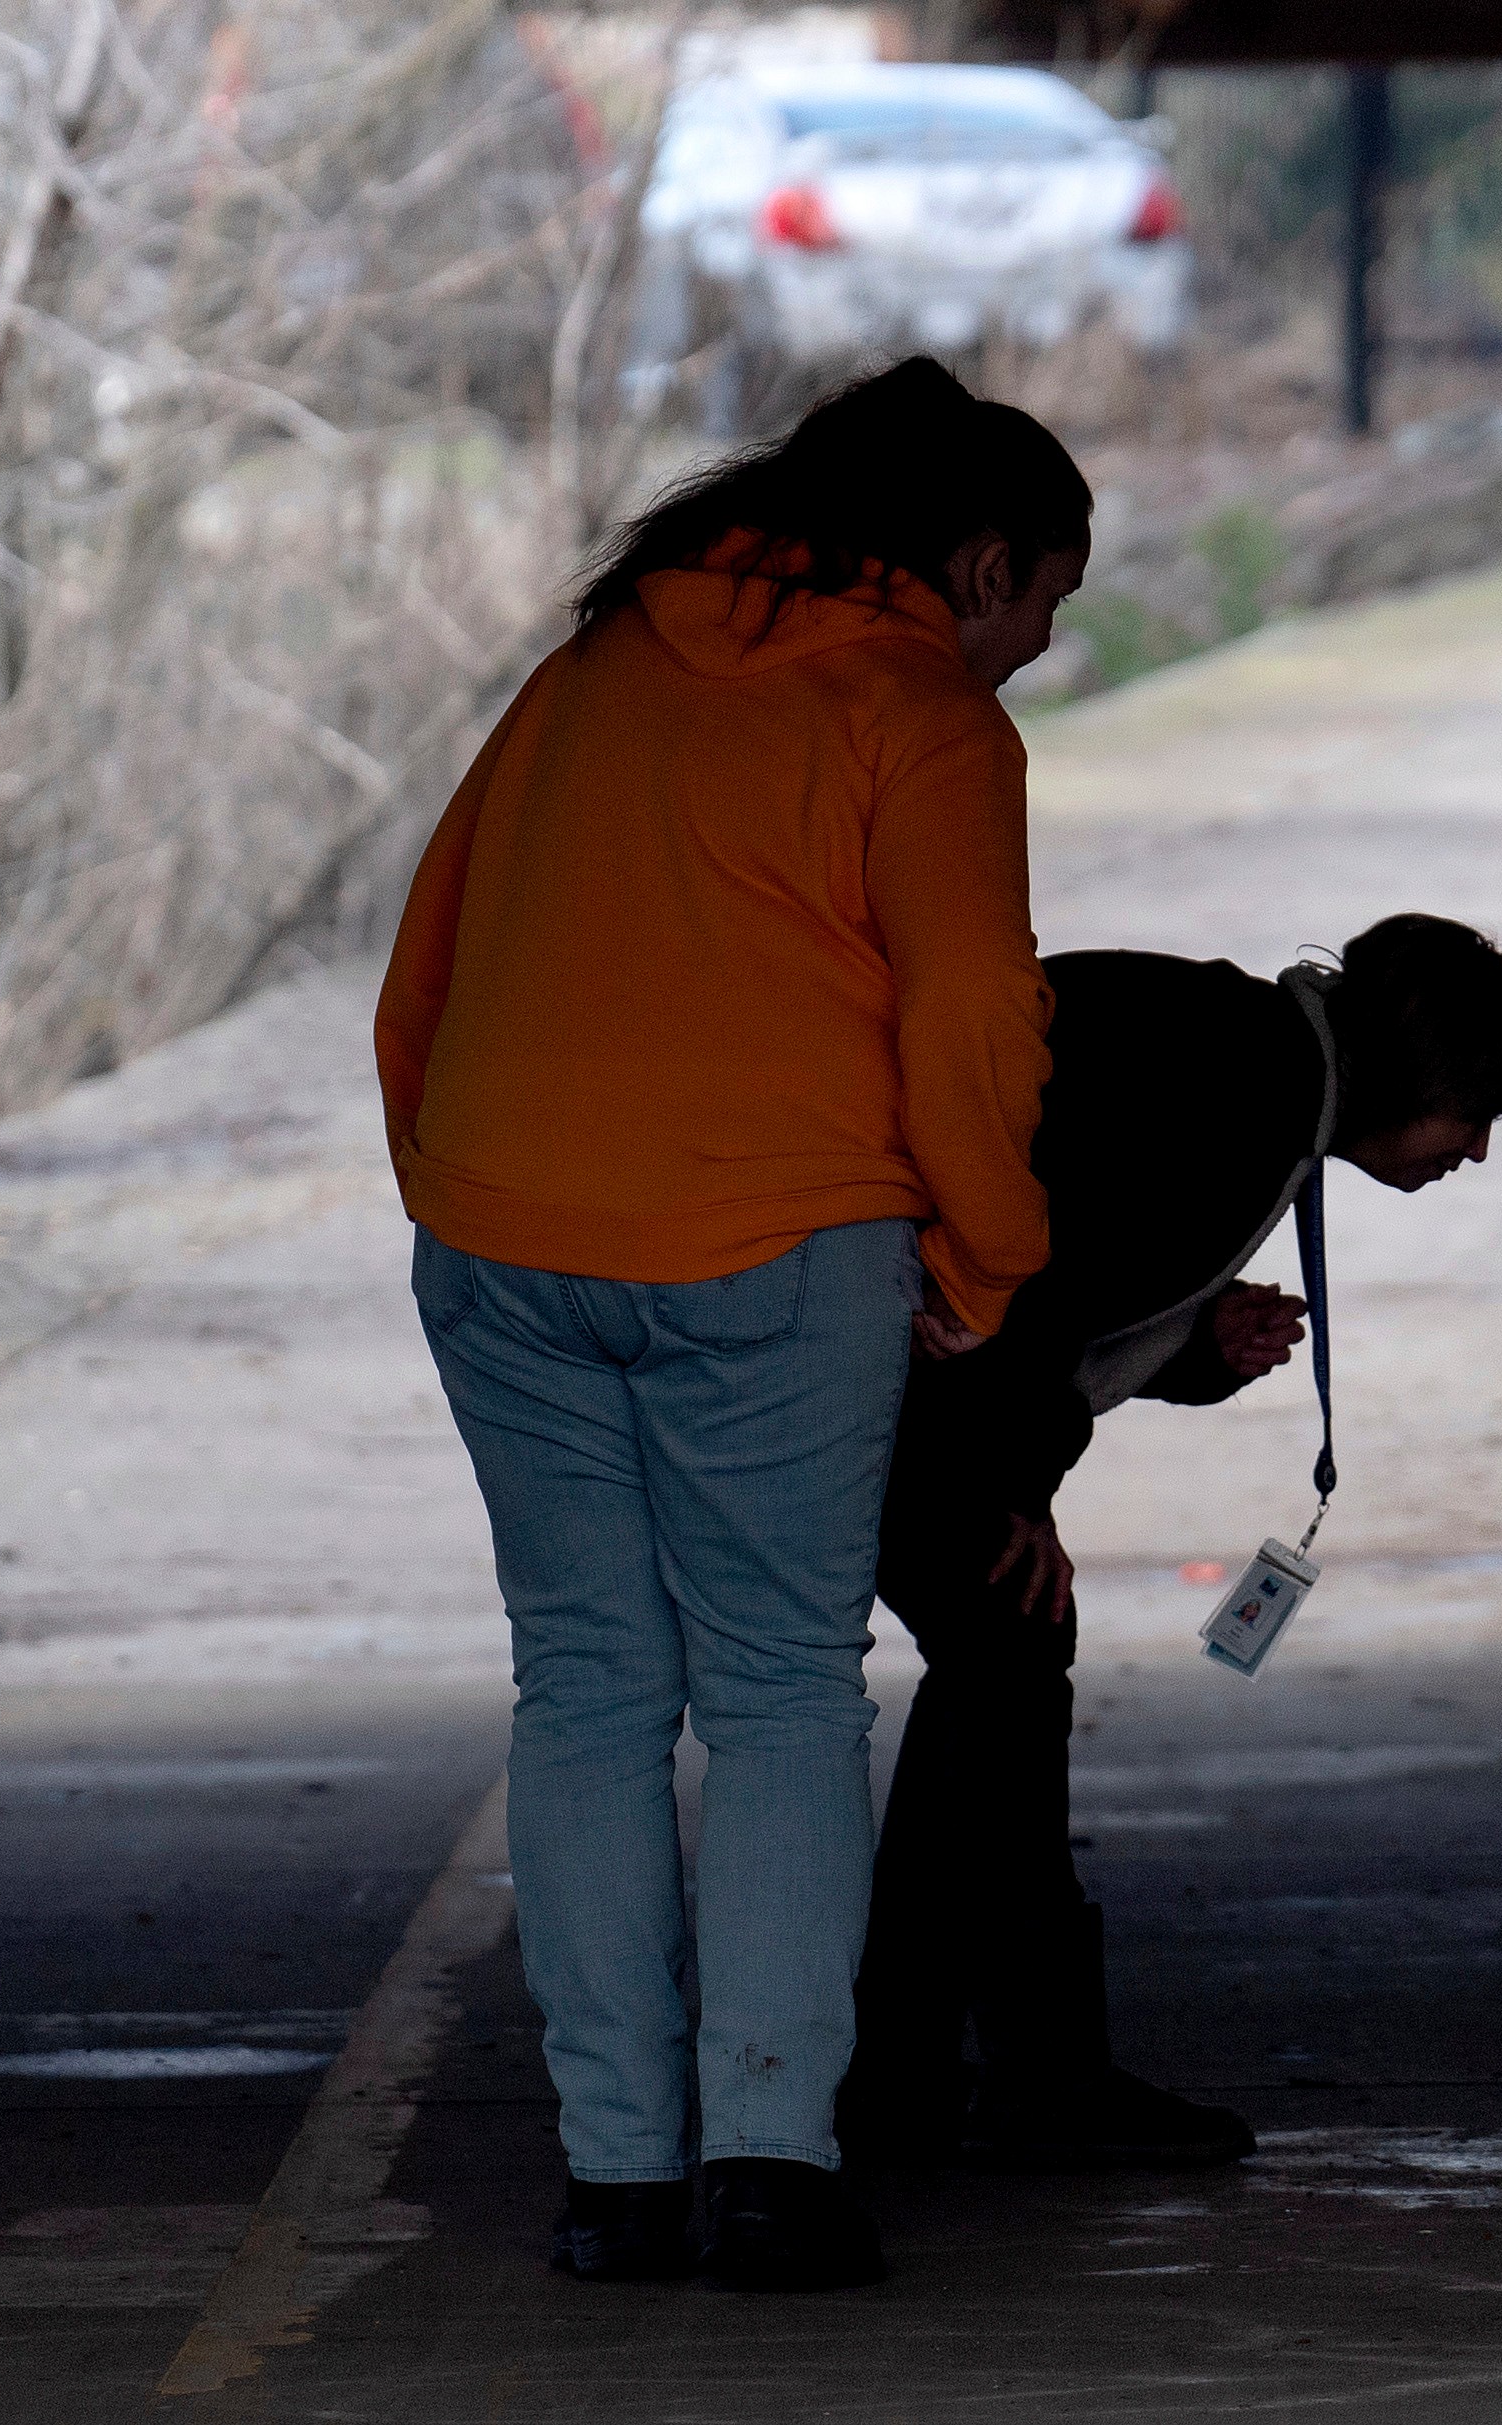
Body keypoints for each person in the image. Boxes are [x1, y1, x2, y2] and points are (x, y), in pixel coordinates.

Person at [373, 358, 1085, 2292]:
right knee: (776, 1692)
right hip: (774, 1246)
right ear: (977, 559)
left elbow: (427, 958)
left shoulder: (598, 666)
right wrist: (986, 1258)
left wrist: (459, 1189)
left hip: (506, 1238)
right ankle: (766, 2160)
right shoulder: (916, 708)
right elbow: (969, 1022)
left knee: (588, 1690)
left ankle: (614, 2180)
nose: (1030, 654)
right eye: (1040, 611)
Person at [842, 915, 1502, 2171]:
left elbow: (1086, 1272)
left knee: (996, 1671)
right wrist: (1011, 1489)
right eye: (1475, 1115)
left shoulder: (1250, 1060)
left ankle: (909, 2063)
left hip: (897, 1361)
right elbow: (1026, 1278)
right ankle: (1010, 2073)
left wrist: (1191, 1346)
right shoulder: (1241, 1097)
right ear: (1422, 1080)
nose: (1478, 1150)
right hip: (888, 1366)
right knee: (1006, 1650)